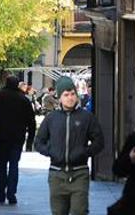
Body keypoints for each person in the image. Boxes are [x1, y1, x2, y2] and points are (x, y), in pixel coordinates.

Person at [35, 76, 105, 215]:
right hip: (57, 174)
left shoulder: (86, 117)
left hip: (79, 173)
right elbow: (39, 142)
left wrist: (84, 152)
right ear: (59, 97)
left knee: (79, 211)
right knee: (58, 212)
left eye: (73, 94)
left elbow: (99, 142)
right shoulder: (51, 118)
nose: (70, 98)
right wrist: (51, 151)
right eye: (66, 95)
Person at [0, 76, 37, 205]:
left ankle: (0, 193)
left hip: (0, 136)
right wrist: (30, 139)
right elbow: (31, 121)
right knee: (14, 165)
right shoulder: (23, 100)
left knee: (1, 165)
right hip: (17, 137)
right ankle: (11, 193)